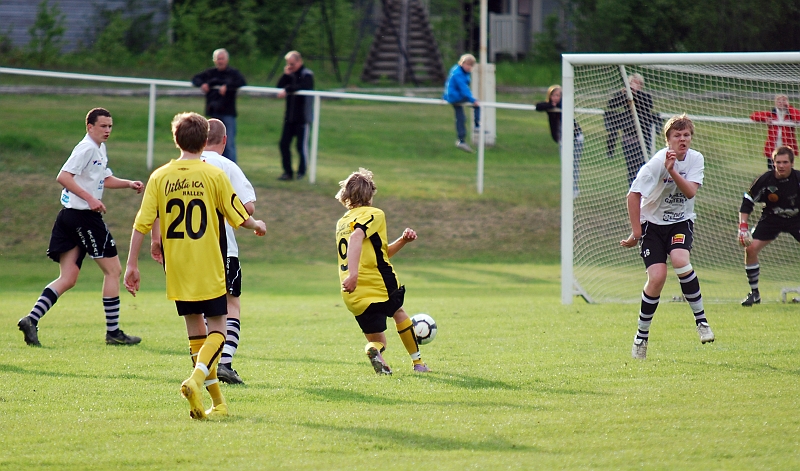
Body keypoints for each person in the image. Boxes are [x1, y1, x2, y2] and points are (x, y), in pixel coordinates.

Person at [124, 112, 266, 420]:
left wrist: (131, 264)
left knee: (195, 333)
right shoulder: (213, 175)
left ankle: (217, 403)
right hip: (208, 262)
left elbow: (142, 223)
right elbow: (239, 215)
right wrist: (258, 224)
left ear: (176, 140)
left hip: (176, 266)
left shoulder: (160, 176)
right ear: (205, 141)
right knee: (218, 328)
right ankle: (196, 378)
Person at [17, 107, 143, 347]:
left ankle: (31, 319)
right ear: (90, 127)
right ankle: (113, 332)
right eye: (103, 126)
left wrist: (128, 184)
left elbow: (103, 179)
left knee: (69, 277)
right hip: (83, 217)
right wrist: (91, 199)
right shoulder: (85, 148)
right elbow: (63, 176)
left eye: (110, 126)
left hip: (70, 217)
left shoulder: (99, 149)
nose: (107, 130)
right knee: (113, 270)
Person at [149, 119, 257, 384]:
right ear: (224, 140)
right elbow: (247, 208)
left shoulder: (173, 170)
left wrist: (156, 240)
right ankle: (224, 363)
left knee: (194, 315)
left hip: (182, 253)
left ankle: (205, 370)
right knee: (229, 305)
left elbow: (156, 209)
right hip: (220, 249)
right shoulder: (224, 167)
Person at [620, 114, 714, 360]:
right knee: (658, 277)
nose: (682, 139)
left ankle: (702, 322)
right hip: (651, 225)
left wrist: (673, 172)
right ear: (668, 140)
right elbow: (633, 195)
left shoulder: (695, 159)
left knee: (681, 259)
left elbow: (691, 192)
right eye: (677, 136)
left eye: (686, 135)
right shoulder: (656, 163)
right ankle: (641, 337)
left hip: (680, 222)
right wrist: (636, 232)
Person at [335, 168, 430, 374]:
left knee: (378, 341)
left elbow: (379, 253)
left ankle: (373, 351)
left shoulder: (342, 222)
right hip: (376, 281)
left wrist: (403, 240)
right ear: (370, 193)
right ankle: (418, 364)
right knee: (398, 312)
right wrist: (354, 274)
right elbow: (357, 238)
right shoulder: (375, 214)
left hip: (352, 292)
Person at [737, 146, 800, 306]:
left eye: (785, 162)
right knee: (750, 248)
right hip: (772, 217)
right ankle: (754, 294)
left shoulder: (798, 179)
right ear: (773, 163)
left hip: (797, 218)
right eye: (778, 162)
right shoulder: (765, 179)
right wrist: (743, 227)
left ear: (792, 163)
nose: (781, 165)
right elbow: (747, 201)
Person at [191, 48, 247, 163]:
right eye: (218, 59)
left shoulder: (233, 73)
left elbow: (242, 81)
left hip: (228, 113)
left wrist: (228, 86)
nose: (220, 61)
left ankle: (231, 169)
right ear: (214, 60)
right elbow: (195, 79)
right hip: (213, 113)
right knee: (210, 142)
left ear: (226, 60)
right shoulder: (210, 73)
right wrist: (203, 84)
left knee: (229, 143)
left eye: (222, 59)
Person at [605, 73, 661, 185]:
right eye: (632, 83)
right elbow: (611, 105)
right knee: (631, 170)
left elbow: (648, 106)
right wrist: (623, 94)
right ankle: (633, 192)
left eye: (637, 83)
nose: (634, 86)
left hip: (642, 139)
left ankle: (643, 193)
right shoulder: (624, 96)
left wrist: (635, 94)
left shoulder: (645, 97)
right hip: (628, 139)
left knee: (643, 168)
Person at [536, 84, 584, 198]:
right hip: (562, 140)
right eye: (554, 95)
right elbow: (538, 106)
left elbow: (565, 107)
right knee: (566, 165)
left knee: (574, 165)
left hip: (575, 139)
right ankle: (567, 188)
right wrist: (550, 105)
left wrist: (557, 104)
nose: (556, 97)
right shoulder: (549, 106)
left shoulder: (564, 105)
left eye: (558, 95)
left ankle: (574, 189)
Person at [276, 50, 314, 181]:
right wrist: (286, 75)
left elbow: (302, 86)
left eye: (292, 63)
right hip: (289, 118)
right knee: (283, 144)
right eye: (288, 64)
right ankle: (288, 172)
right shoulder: (290, 74)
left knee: (300, 147)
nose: (290, 66)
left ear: (299, 61)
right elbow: (279, 86)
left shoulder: (307, 74)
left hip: (302, 118)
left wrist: (287, 89)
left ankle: (301, 172)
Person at [750, 95, 800, 170]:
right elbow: (753, 116)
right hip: (773, 147)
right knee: (772, 171)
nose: (781, 103)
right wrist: (766, 118)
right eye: (779, 101)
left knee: (787, 170)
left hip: (787, 147)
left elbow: (798, 117)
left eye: (783, 101)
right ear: (775, 103)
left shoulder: (791, 114)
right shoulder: (771, 114)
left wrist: (789, 107)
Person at [443, 53, 481, 153]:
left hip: (453, 96)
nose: (469, 67)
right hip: (455, 96)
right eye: (467, 64)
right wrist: (473, 100)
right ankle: (477, 126)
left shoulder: (460, 71)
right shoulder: (458, 73)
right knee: (477, 104)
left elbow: (449, 84)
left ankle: (461, 140)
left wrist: (445, 96)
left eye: (471, 65)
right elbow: (463, 88)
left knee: (461, 117)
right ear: (462, 63)